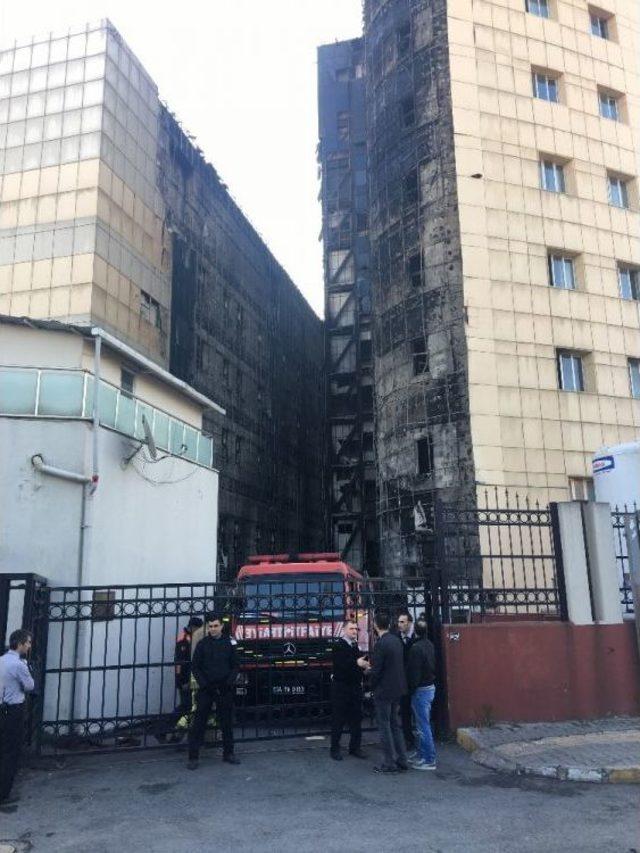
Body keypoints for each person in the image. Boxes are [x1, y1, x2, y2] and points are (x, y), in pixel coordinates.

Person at [358, 610, 408, 773]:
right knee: (395, 725)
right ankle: (402, 759)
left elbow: (377, 670)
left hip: (384, 691)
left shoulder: (381, 644)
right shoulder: (396, 641)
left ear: (375, 625)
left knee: (385, 726)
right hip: (397, 689)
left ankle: (389, 762)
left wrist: (366, 670)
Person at [187, 614, 240, 769]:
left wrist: (228, 682)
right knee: (199, 723)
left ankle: (229, 753)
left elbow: (235, 665)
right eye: (210, 626)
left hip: (224, 688)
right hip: (207, 689)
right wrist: (204, 684)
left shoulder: (230, 643)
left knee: (226, 722)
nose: (213, 629)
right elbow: (195, 666)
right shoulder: (203, 644)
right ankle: (193, 757)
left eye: (215, 626)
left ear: (221, 627)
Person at [0, 629, 35, 804]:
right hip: (14, 710)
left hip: (1, 708)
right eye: (27, 643)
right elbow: (29, 686)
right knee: (11, 752)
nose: (29, 646)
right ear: (20, 644)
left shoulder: (2, 661)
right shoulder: (19, 665)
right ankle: (4, 793)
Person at [330, 620, 366, 761]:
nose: (354, 631)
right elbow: (341, 666)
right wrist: (357, 663)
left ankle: (355, 747)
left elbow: (355, 667)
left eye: (356, 629)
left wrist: (364, 669)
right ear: (344, 630)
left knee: (356, 719)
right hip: (341, 688)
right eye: (351, 629)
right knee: (338, 719)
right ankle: (335, 749)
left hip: (355, 687)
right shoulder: (338, 645)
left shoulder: (355, 645)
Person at [407, 619, 437, 771]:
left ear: (415, 631)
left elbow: (414, 674)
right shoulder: (430, 644)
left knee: (423, 725)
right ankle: (422, 754)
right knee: (422, 724)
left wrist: (410, 689)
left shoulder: (416, 648)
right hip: (429, 687)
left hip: (421, 690)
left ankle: (429, 759)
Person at [174, 617, 203, 715]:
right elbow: (180, 663)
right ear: (193, 627)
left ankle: (186, 725)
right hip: (185, 680)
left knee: (191, 704)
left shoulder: (191, 637)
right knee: (186, 705)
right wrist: (183, 681)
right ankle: (171, 723)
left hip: (192, 678)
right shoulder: (184, 639)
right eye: (198, 628)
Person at [397, 610, 416, 751]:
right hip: (402, 682)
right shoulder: (397, 637)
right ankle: (408, 738)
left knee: (419, 711)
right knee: (405, 711)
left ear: (410, 623)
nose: (400, 625)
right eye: (399, 622)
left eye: (402, 622)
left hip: (417, 681)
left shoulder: (418, 637)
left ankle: (422, 739)